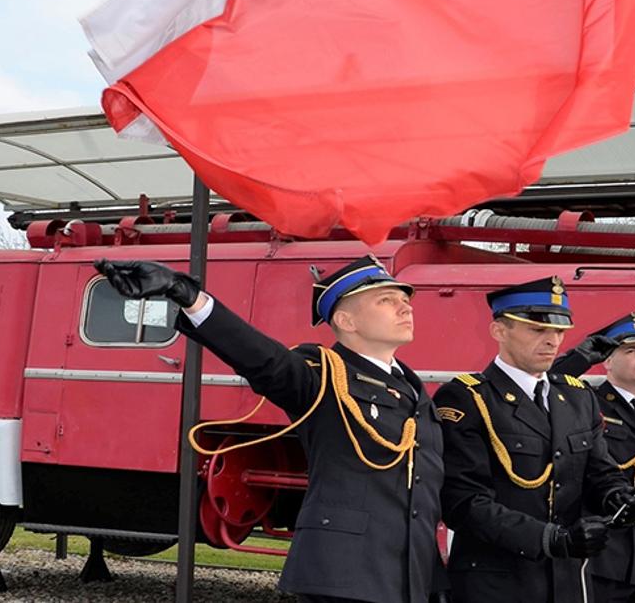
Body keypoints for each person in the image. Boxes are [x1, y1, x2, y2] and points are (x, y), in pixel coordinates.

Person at [96, 255, 446, 603]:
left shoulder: (412, 391)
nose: (405, 308)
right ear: (345, 320)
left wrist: (437, 577)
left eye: (405, 300)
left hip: (408, 576)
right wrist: (185, 294)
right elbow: (263, 358)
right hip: (346, 574)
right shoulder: (321, 376)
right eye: (387, 300)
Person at [434, 275, 635, 603]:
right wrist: (549, 539)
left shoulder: (577, 396)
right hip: (495, 583)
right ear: (499, 331)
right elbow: (463, 502)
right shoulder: (467, 399)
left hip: (565, 580)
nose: (552, 341)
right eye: (537, 330)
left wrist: (616, 495)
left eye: (558, 331)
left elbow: (599, 470)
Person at [551, 313, 635, 603]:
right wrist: (581, 358)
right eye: (632, 350)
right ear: (607, 360)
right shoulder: (587, 402)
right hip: (605, 555)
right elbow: (547, 384)